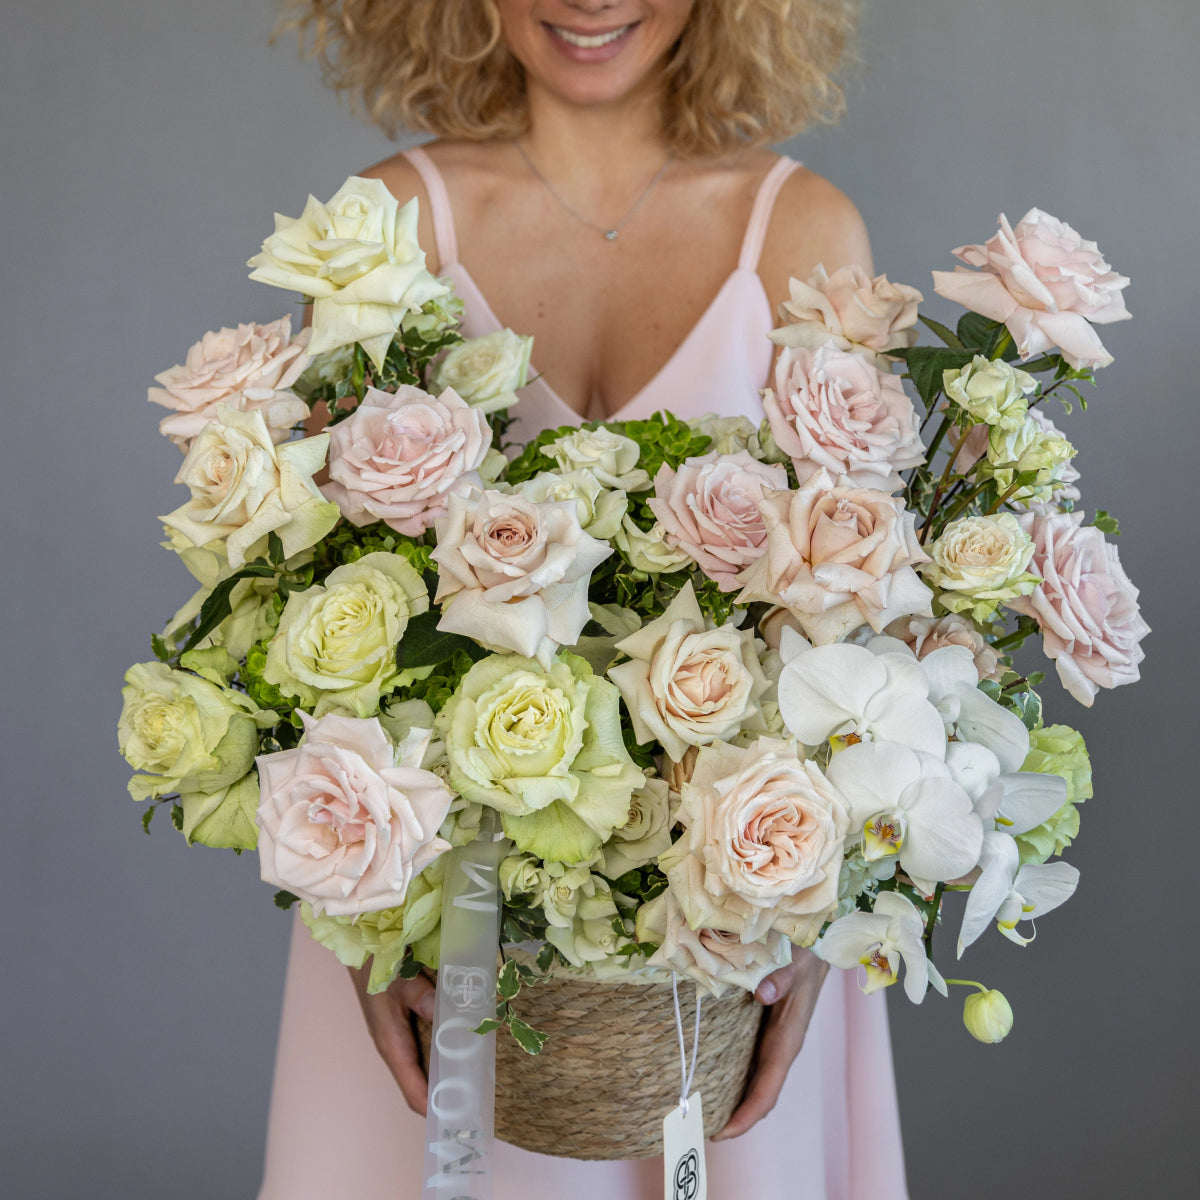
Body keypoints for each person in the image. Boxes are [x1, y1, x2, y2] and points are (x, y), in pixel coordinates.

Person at [258, 3, 908, 1197]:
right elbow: (300, 614)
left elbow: (869, 639)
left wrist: (833, 920)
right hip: (433, 937)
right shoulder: (384, 229)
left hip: (733, 951)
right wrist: (362, 921)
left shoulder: (804, 232)